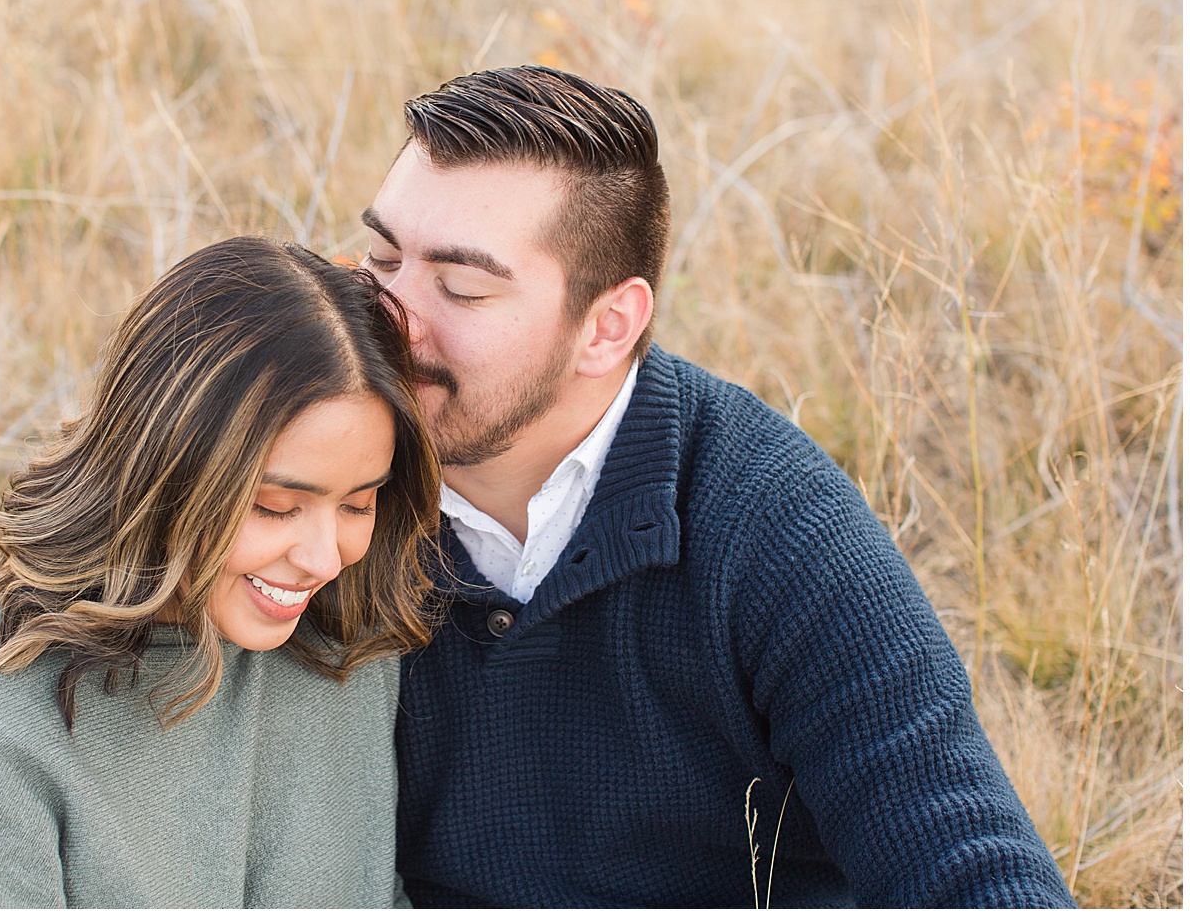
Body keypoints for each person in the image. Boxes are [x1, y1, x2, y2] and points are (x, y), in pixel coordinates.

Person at [360, 65, 1077, 907]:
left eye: (462, 287)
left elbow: (963, 858)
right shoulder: (313, 491)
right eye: (379, 257)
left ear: (607, 327)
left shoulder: (773, 519)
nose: (387, 316)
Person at [0, 237, 441, 907]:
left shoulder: (347, 654)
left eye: (359, 502)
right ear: (165, 471)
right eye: (275, 507)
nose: (325, 557)